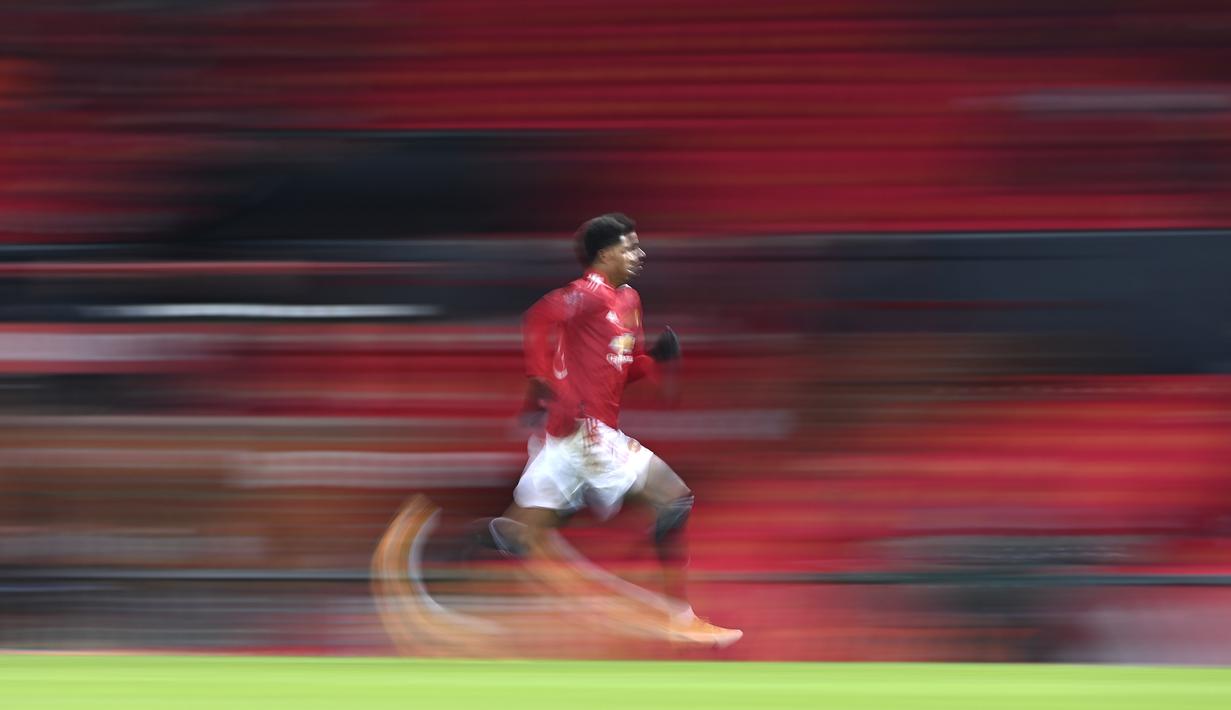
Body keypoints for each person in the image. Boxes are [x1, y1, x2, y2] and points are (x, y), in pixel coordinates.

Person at [484, 213, 741, 647]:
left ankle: (447, 573)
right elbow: (536, 320)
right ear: (605, 254)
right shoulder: (587, 294)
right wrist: (540, 381)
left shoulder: (629, 301)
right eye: (630, 247)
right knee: (674, 499)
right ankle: (681, 617)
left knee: (519, 533)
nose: (639, 254)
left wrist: (655, 359)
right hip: (588, 434)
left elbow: (622, 369)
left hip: (570, 437)